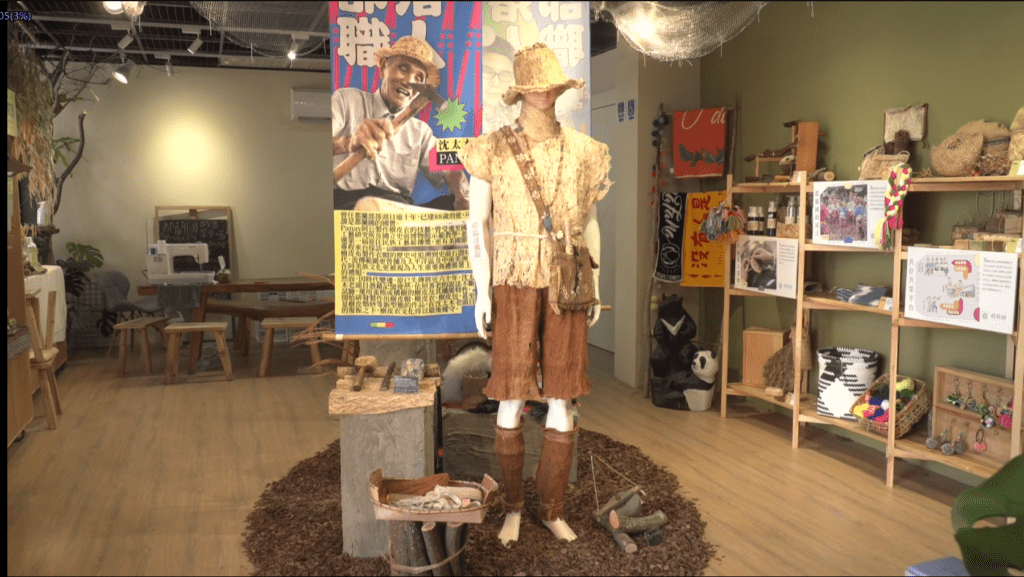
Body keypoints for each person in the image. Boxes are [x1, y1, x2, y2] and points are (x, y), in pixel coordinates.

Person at [458, 43, 611, 546]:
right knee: (510, 394)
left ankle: (552, 508)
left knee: (563, 395)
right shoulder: (492, 148)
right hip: (513, 278)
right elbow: (476, 223)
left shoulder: (585, 152)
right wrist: (482, 291)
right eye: (534, 86)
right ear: (520, 91)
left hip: (567, 282)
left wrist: (595, 284)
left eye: (550, 85)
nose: (543, 93)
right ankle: (513, 508)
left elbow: (590, 224)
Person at [332, 36, 468, 211]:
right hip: (349, 206)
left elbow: (450, 168)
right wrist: (348, 143)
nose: (409, 82)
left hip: (398, 211)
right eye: (403, 68)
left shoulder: (421, 132)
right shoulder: (347, 100)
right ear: (383, 68)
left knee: (459, 205)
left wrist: (463, 195)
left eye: (419, 78)